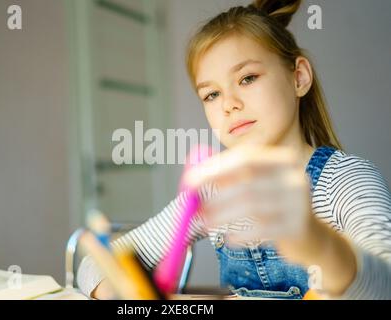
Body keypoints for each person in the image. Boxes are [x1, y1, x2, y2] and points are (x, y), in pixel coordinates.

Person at [77, 0, 391, 299]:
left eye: (247, 78)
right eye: (212, 94)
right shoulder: (213, 192)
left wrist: (317, 242)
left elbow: (386, 286)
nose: (229, 104)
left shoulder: (345, 181)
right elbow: (94, 266)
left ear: (299, 77)